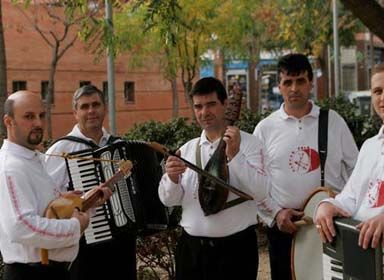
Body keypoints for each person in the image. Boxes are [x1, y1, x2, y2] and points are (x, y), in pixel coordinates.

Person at [253, 53, 359, 280]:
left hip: (330, 228)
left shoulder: (333, 121)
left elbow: (357, 171)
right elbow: (255, 182)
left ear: (310, 83)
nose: (294, 88)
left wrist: (346, 209)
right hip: (284, 229)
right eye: (287, 82)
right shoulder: (265, 129)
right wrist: (275, 214)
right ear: (279, 86)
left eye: (300, 81)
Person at [158, 77, 276, 280]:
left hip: (236, 252)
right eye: (198, 106)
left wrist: (236, 156)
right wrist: (172, 178)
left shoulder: (250, 144)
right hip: (192, 252)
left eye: (211, 104)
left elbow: (261, 191)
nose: (204, 112)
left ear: (225, 104)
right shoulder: (187, 149)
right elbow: (169, 200)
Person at [315, 60, 384, 277]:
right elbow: (352, 198)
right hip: (363, 261)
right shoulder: (370, 146)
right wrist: (326, 205)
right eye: (377, 91)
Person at [44, 85, 137, 280]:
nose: (91, 111)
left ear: (104, 107)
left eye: (96, 104)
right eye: (84, 106)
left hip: (123, 244)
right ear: (75, 113)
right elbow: (47, 200)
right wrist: (81, 201)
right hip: (84, 244)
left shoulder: (118, 145)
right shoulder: (61, 149)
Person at [0, 91, 90, 280]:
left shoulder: (31, 159)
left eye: (41, 115)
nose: (38, 123)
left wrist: (65, 201)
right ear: (8, 122)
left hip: (49, 272)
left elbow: (41, 210)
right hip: (29, 274)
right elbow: (21, 226)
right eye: (29, 117)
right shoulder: (11, 167)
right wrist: (74, 227)